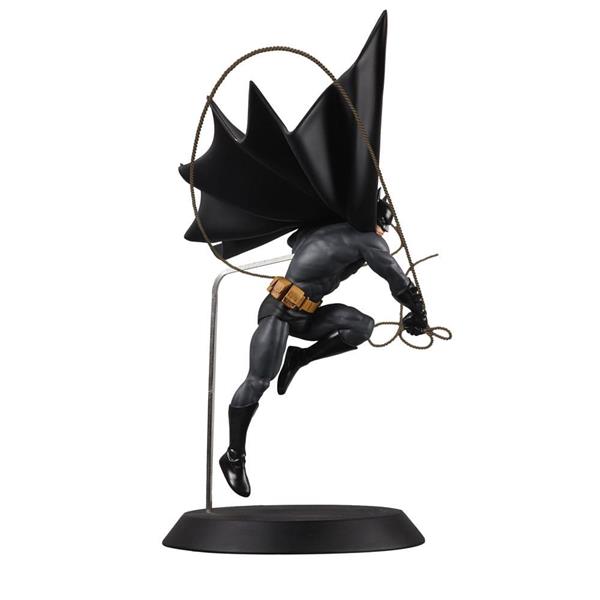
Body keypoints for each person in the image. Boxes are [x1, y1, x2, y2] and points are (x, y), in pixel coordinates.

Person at [219, 199, 429, 496]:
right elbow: (398, 281)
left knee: (362, 326)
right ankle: (233, 456)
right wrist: (419, 313)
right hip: (279, 313)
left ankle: (300, 357)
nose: (383, 234)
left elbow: (296, 241)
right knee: (257, 381)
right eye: (382, 227)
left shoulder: (322, 226)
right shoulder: (368, 240)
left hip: (309, 316)